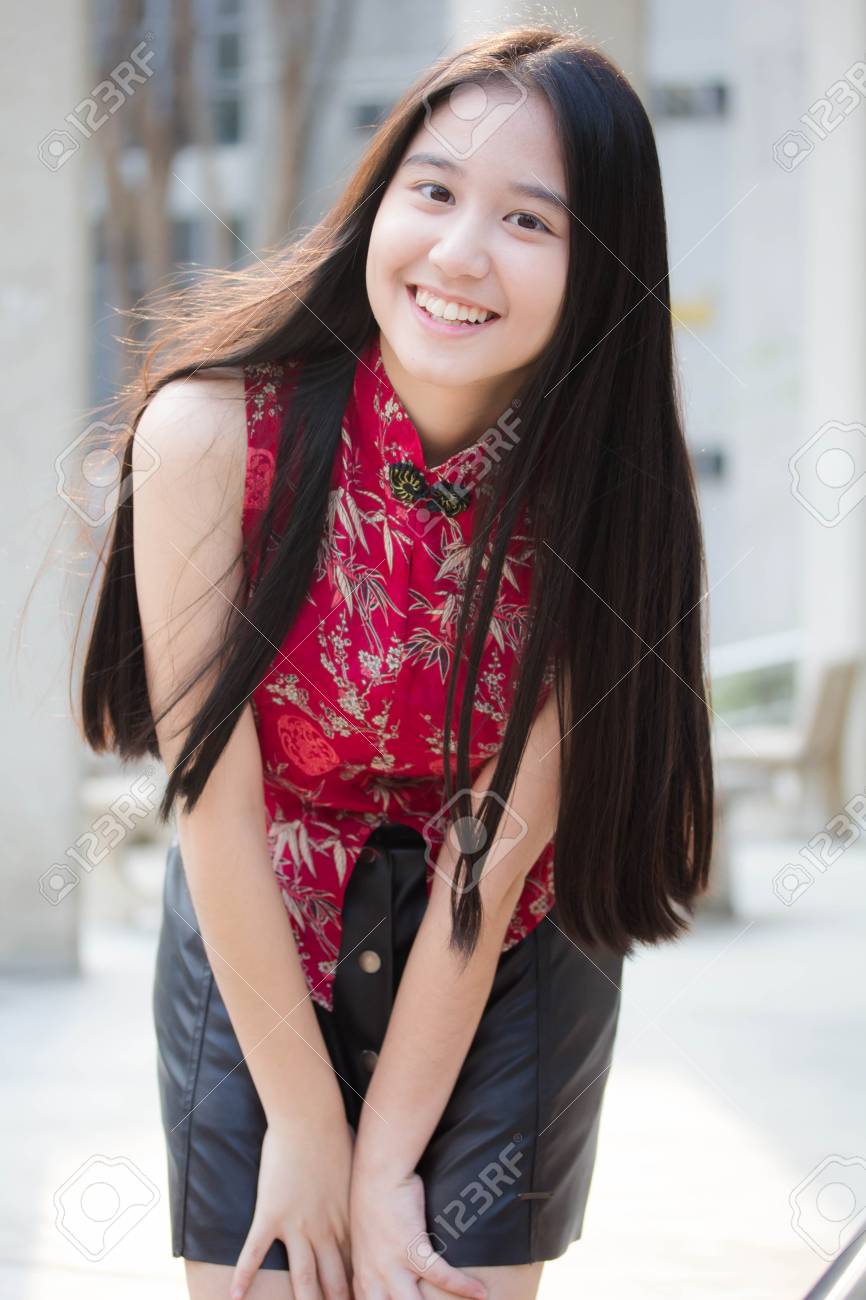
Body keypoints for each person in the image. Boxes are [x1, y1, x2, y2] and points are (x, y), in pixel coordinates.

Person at [76, 23, 714, 1300]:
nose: (458, 254)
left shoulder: (605, 506)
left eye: (527, 221)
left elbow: (495, 849)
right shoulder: (207, 435)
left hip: (504, 942)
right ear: (379, 200)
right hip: (258, 919)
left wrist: (381, 1171)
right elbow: (214, 803)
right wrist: (308, 1130)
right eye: (432, 191)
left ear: (603, 265)